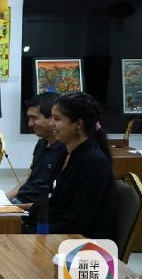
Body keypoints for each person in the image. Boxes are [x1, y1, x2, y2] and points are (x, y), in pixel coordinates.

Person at [21, 92, 115, 238]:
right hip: (59, 232)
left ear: (78, 124)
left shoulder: (94, 162)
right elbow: (54, 203)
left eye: (57, 119)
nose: (51, 123)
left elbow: (77, 221)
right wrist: (22, 219)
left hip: (81, 242)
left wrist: (32, 232)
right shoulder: (66, 153)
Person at [6, 92, 66, 204]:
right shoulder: (42, 143)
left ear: (53, 118)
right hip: (20, 202)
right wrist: (3, 199)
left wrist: (15, 208)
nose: (30, 124)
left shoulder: (65, 150)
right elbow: (31, 180)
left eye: (34, 118)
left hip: (34, 209)